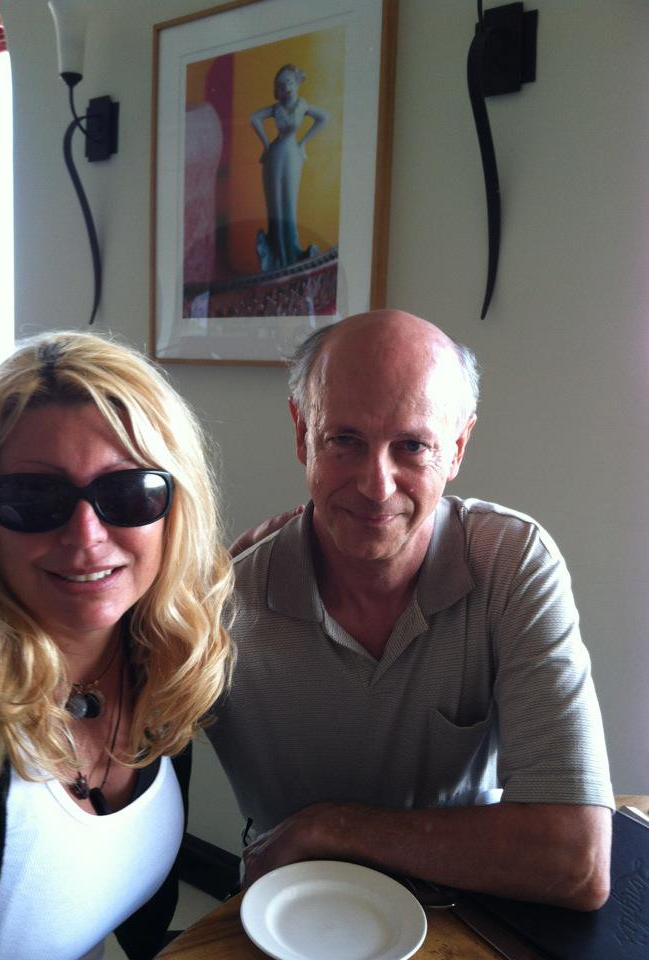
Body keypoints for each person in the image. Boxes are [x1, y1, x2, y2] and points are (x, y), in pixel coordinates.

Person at [208, 309, 614, 911]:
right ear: (302, 432)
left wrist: (330, 828)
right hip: (291, 913)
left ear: (457, 447)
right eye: (345, 440)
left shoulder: (512, 565)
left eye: (413, 446)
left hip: (471, 910)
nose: (376, 486)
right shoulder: (221, 603)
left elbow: (577, 863)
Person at [0, 331, 234, 960]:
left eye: (129, 493)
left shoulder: (159, 659)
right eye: (33, 498)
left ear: (174, 509)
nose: (87, 537)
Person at [251, 64, 328, 272]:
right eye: (281, 84)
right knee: (274, 205)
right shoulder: (276, 108)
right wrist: (266, 145)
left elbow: (324, 118)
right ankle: (275, 257)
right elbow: (253, 118)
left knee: (289, 204)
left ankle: (291, 256)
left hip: (293, 155)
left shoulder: (303, 106)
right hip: (275, 155)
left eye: (289, 82)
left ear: (297, 83)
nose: (286, 87)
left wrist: (303, 143)